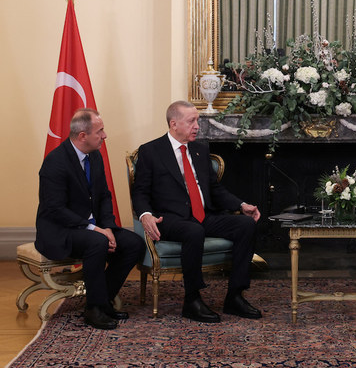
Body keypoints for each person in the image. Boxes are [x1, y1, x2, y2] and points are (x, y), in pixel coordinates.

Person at [132, 100, 262, 323]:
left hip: (204, 215)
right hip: (169, 218)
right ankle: (192, 300)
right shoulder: (151, 151)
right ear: (174, 124)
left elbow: (215, 190)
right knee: (193, 231)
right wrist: (145, 215)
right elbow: (140, 192)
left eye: (197, 121)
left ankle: (234, 296)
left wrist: (241, 205)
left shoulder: (200, 149)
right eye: (191, 121)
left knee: (245, 224)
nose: (197, 126)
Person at [35, 108, 144, 330]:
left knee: (134, 244)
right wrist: (94, 229)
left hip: (92, 228)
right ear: (82, 136)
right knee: (98, 241)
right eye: (100, 131)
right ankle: (93, 309)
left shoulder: (94, 156)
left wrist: (109, 227)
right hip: (60, 230)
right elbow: (55, 209)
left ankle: (102, 301)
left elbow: (104, 196)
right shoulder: (55, 162)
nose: (105, 135)